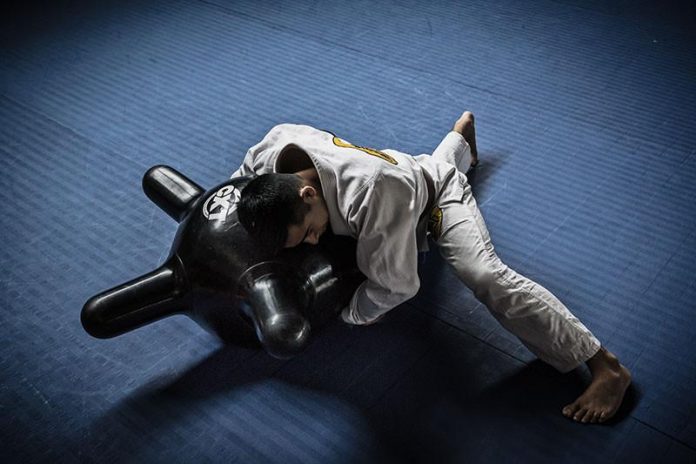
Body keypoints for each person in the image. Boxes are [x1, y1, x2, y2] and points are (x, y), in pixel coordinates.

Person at [232, 112, 632, 424]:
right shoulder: (273, 148)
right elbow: (236, 194)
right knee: (411, 178)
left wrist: (352, 312)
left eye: (308, 232)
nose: (312, 242)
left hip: (433, 199)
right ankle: (460, 139)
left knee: (485, 276)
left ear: (307, 193)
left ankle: (604, 366)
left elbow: (398, 286)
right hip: (402, 176)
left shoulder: (370, 193)